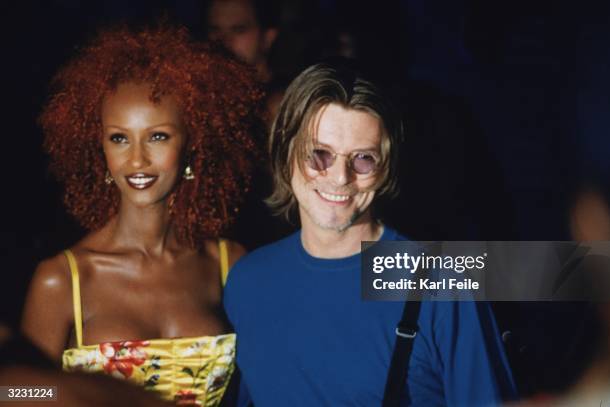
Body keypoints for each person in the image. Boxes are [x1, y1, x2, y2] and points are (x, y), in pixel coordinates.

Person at [224, 61, 517, 405]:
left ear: (385, 168)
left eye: (363, 159)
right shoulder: (247, 281)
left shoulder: (441, 284)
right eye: (319, 155)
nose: (339, 177)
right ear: (285, 151)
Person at [21, 22, 262, 405]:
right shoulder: (63, 280)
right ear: (98, 146)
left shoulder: (228, 264)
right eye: (119, 138)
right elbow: (16, 390)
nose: (136, 159)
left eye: (158, 136)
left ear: (192, 143)